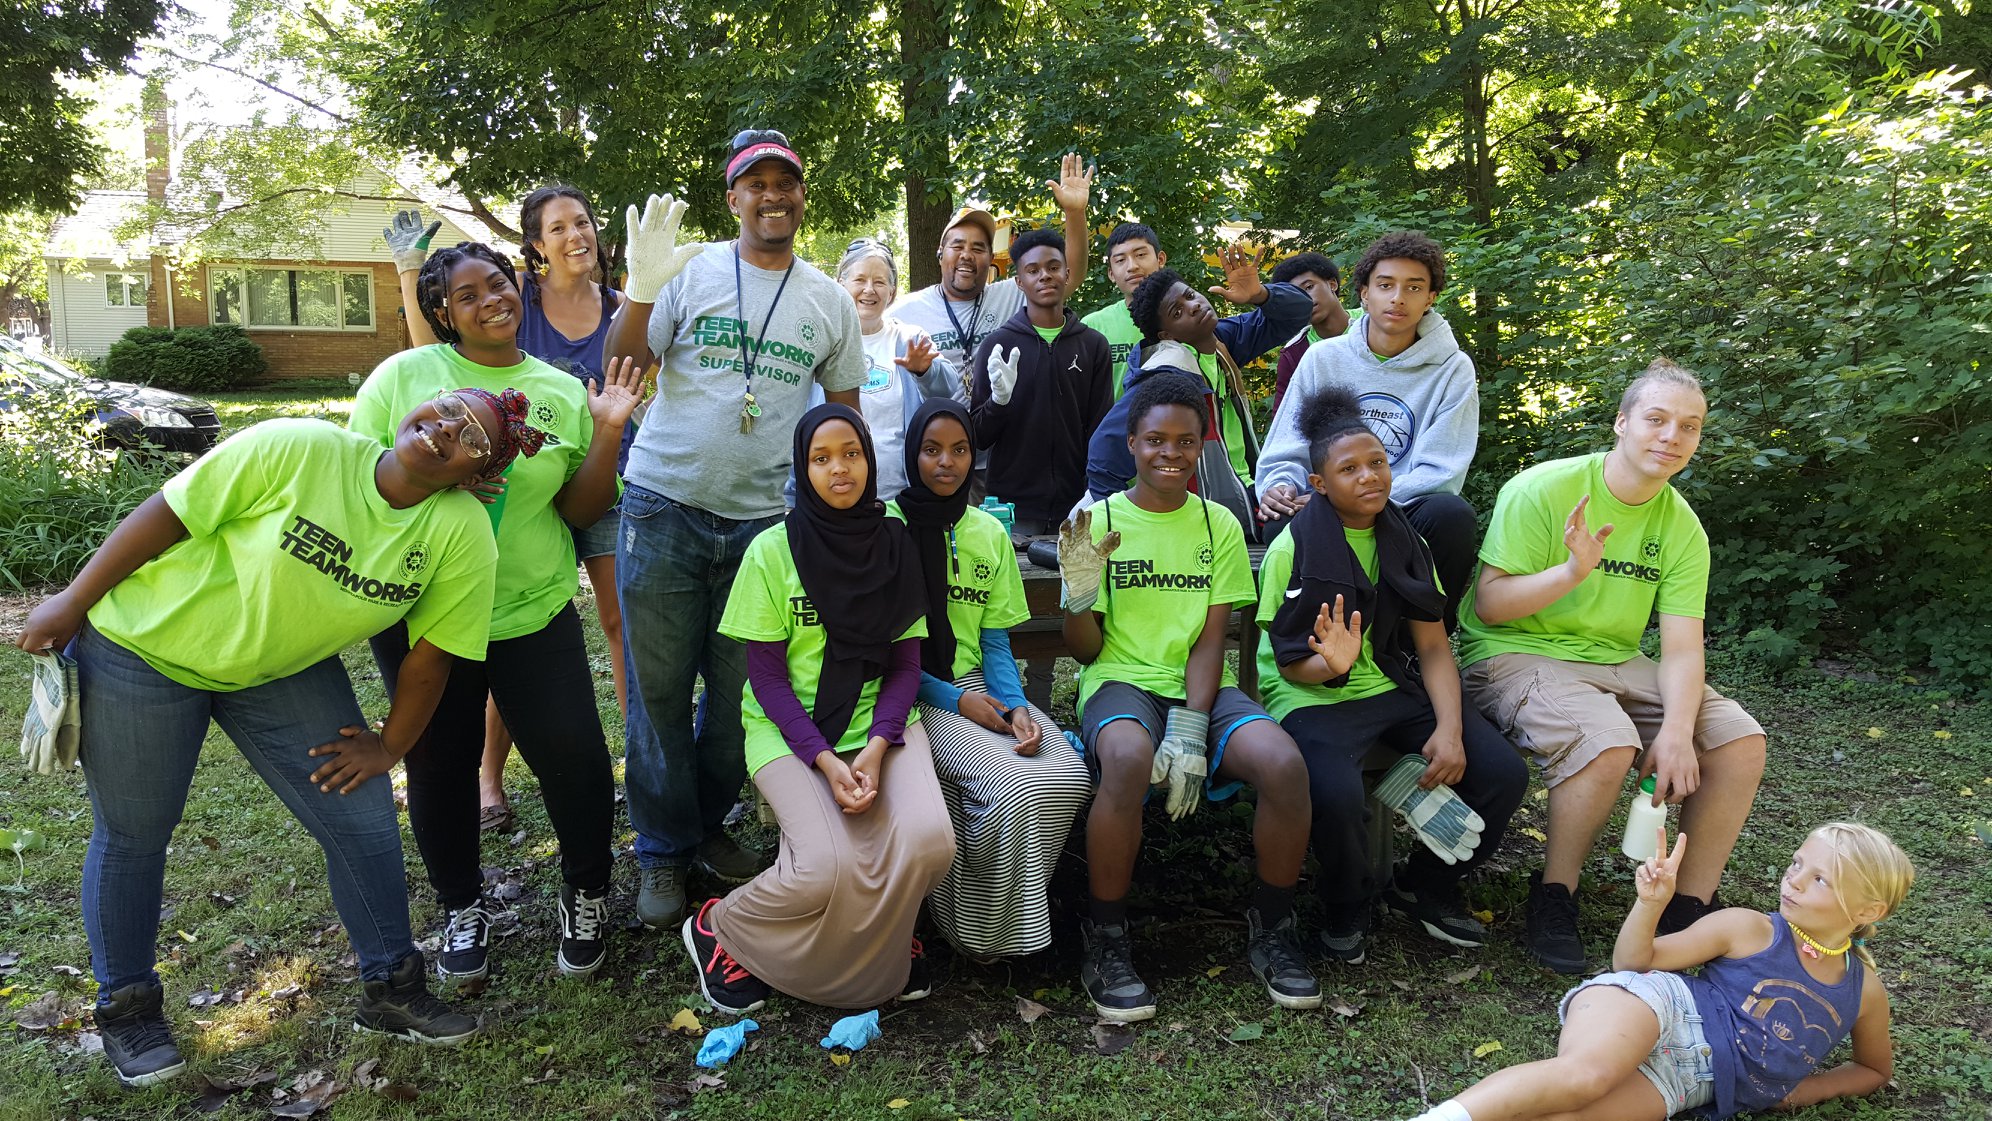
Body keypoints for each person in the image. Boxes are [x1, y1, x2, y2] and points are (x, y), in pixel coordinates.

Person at [16, 393, 528, 1084]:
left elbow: (429, 657)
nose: (442, 429)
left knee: (363, 815)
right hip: (144, 644)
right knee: (135, 829)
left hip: (275, 669)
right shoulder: (297, 446)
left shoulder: (461, 529)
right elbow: (167, 514)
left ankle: (393, 989)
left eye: (469, 436)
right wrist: (72, 600)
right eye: (442, 410)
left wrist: (387, 747)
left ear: (478, 472)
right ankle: (129, 1007)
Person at [603, 129, 867, 933]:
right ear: (733, 199)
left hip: (764, 528)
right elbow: (622, 369)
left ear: (800, 196)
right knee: (656, 693)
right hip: (662, 506)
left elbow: (843, 414)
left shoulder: (827, 298)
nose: (772, 195)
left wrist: (837, 519)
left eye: (785, 182)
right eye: (756, 184)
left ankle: (707, 826)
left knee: (734, 701)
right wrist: (643, 289)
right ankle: (658, 848)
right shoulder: (690, 273)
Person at [353, 242, 636, 981]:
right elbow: (359, 487)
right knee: (439, 763)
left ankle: (588, 889)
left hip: (530, 607)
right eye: (468, 294)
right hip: (423, 614)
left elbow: (580, 506)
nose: (491, 301)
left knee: (573, 756)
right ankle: (460, 907)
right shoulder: (403, 377)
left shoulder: (560, 388)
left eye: (500, 284)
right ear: (441, 311)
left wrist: (606, 430)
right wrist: (437, 488)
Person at [1457, 359, 1767, 974]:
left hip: (1618, 660)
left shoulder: (1681, 527)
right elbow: (1490, 607)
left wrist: (1678, 732)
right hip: (1516, 651)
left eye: (1689, 426)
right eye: (1656, 419)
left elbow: (1682, 647)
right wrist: (1573, 571)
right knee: (1607, 743)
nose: (1670, 437)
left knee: (1738, 741)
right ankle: (1554, 896)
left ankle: (1687, 909)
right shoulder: (1543, 489)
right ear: (1622, 423)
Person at [1061, 374, 1320, 1022]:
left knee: (1284, 764)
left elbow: (1212, 640)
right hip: (1119, 677)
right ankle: (1107, 938)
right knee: (1125, 758)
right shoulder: (1099, 520)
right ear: (1133, 442)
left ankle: (1273, 922)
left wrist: (1191, 726)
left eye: (1184, 439)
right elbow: (1086, 649)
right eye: (1155, 439)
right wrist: (1081, 592)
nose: (1170, 452)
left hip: (1201, 687)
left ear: (1203, 443)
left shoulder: (1219, 524)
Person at [682, 404, 953, 1013]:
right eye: (821, 458)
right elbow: (768, 681)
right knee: (823, 869)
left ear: (869, 459)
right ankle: (720, 926)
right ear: (802, 469)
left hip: (878, 727)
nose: (839, 469)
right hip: (789, 732)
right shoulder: (771, 553)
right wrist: (828, 763)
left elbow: (906, 666)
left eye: (851, 454)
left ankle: (887, 944)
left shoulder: (894, 544)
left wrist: (880, 749)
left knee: (929, 841)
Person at [388, 188, 633, 835]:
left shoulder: (619, 305)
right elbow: (444, 359)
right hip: (500, 489)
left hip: (591, 471)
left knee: (616, 622)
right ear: (536, 246)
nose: (575, 234)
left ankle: (636, 763)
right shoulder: (518, 295)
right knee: (495, 638)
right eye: (559, 227)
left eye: (583, 221)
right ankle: (488, 777)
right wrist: (412, 275)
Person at [1255, 387, 1526, 963]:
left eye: (1377, 462)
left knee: (1502, 772)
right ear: (1320, 485)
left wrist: (1450, 729)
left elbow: (1431, 645)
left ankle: (1423, 885)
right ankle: (1346, 901)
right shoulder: (1293, 549)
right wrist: (1330, 664)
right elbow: (1284, 664)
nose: (1369, 477)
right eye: (1349, 469)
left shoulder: (1407, 538)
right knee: (1335, 792)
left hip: (1389, 685)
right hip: (1310, 695)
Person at [1404, 823, 1914, 1121]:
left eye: (1820, 878)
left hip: (1689, 1081)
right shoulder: (1749, 928)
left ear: (1868, 910)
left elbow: (1874, 1070)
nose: (1795, 880)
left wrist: (1801, 1089)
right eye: (1798, 863)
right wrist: (1651, 904)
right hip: (1659, 1007)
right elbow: (1635, 962)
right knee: (1586, 1077)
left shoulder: (1863, 991)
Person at [891, 399, 1091, 959]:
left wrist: (1015, 704)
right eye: (932, 450)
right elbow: (890, 655)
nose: (946, 463)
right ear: (913, 454)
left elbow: (997, 638)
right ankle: (973, 933)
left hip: (982, 685)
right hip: (911, 693)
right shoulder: (887, 529)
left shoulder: (987, 532)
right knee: (1012, 788)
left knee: (1066, 773)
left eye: (959, 450)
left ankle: (1004, 925)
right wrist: (961, 701)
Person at [1257, 232, 1479, 626]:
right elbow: (1287, 445)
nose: (1398, 298)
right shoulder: (1323, 358)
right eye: (1386, 285)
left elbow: (1441, 472)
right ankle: (1306, 647)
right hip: (1324, 500)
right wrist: (1280, 484)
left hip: (1403, 504)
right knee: (1282, 519)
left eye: (1414, 287)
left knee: (1452, 515)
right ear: (1363, 294)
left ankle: (1422, 646)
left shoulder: (1452, 368)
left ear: (1431, 298)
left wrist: (1365, 497)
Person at [1083, 253, 1315, 536]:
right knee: (1303, 526)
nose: (1193, 307)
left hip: (1246, 493)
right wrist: (1128, 531)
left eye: (1190, 295)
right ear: (1167, 335)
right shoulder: (1164, 377)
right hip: (1201, 518)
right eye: (1177, 312)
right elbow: (1103, 457)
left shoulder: (1219, 342)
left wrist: (1260, 294)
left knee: (1316, 508)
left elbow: (1300, 311)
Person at [887, 155, 1097, 392]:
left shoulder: (1013, 293)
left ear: (990, 258)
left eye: (978, 248)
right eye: (957, 246)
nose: (967, 254)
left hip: (999, 424)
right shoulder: (904, 313)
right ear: (940, 253)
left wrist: (1075, 212)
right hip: (939, 427)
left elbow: (1072, 274)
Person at [968, 226, 1115, 540]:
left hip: (1080, 506)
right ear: (1020, 281)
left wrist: (1094, 494)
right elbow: (978, 435)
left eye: (1053, 267)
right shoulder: (998, 345)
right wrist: (998, 402)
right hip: (1012, 510)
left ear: (1067, 272)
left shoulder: (1093, 345)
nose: (1044, 276)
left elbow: (1100, 428)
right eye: (1033, 270)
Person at [824, 237, 952, 495]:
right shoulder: (826, 342)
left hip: (900, 494)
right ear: (841, 285)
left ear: (892, 292)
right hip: (836, 494)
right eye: (860, 280)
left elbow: (946, 391)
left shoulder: (910, 339)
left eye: (880, 281)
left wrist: (924, 372)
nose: (869, 289)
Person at [1081, 221, 1169, 391]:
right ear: (1111, 274)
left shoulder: (1188, 317)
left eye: (1141, 255)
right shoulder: (1092, 327)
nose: (1132, 266)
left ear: (1160, 259)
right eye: (1120, 260)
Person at [1266, 252, 1348, 415]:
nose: (1304, 299)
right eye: (1294, 295)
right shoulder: (1294, 353)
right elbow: (1284, 417)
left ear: (1332, 284)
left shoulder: (1373, 322)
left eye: (1309, 287)